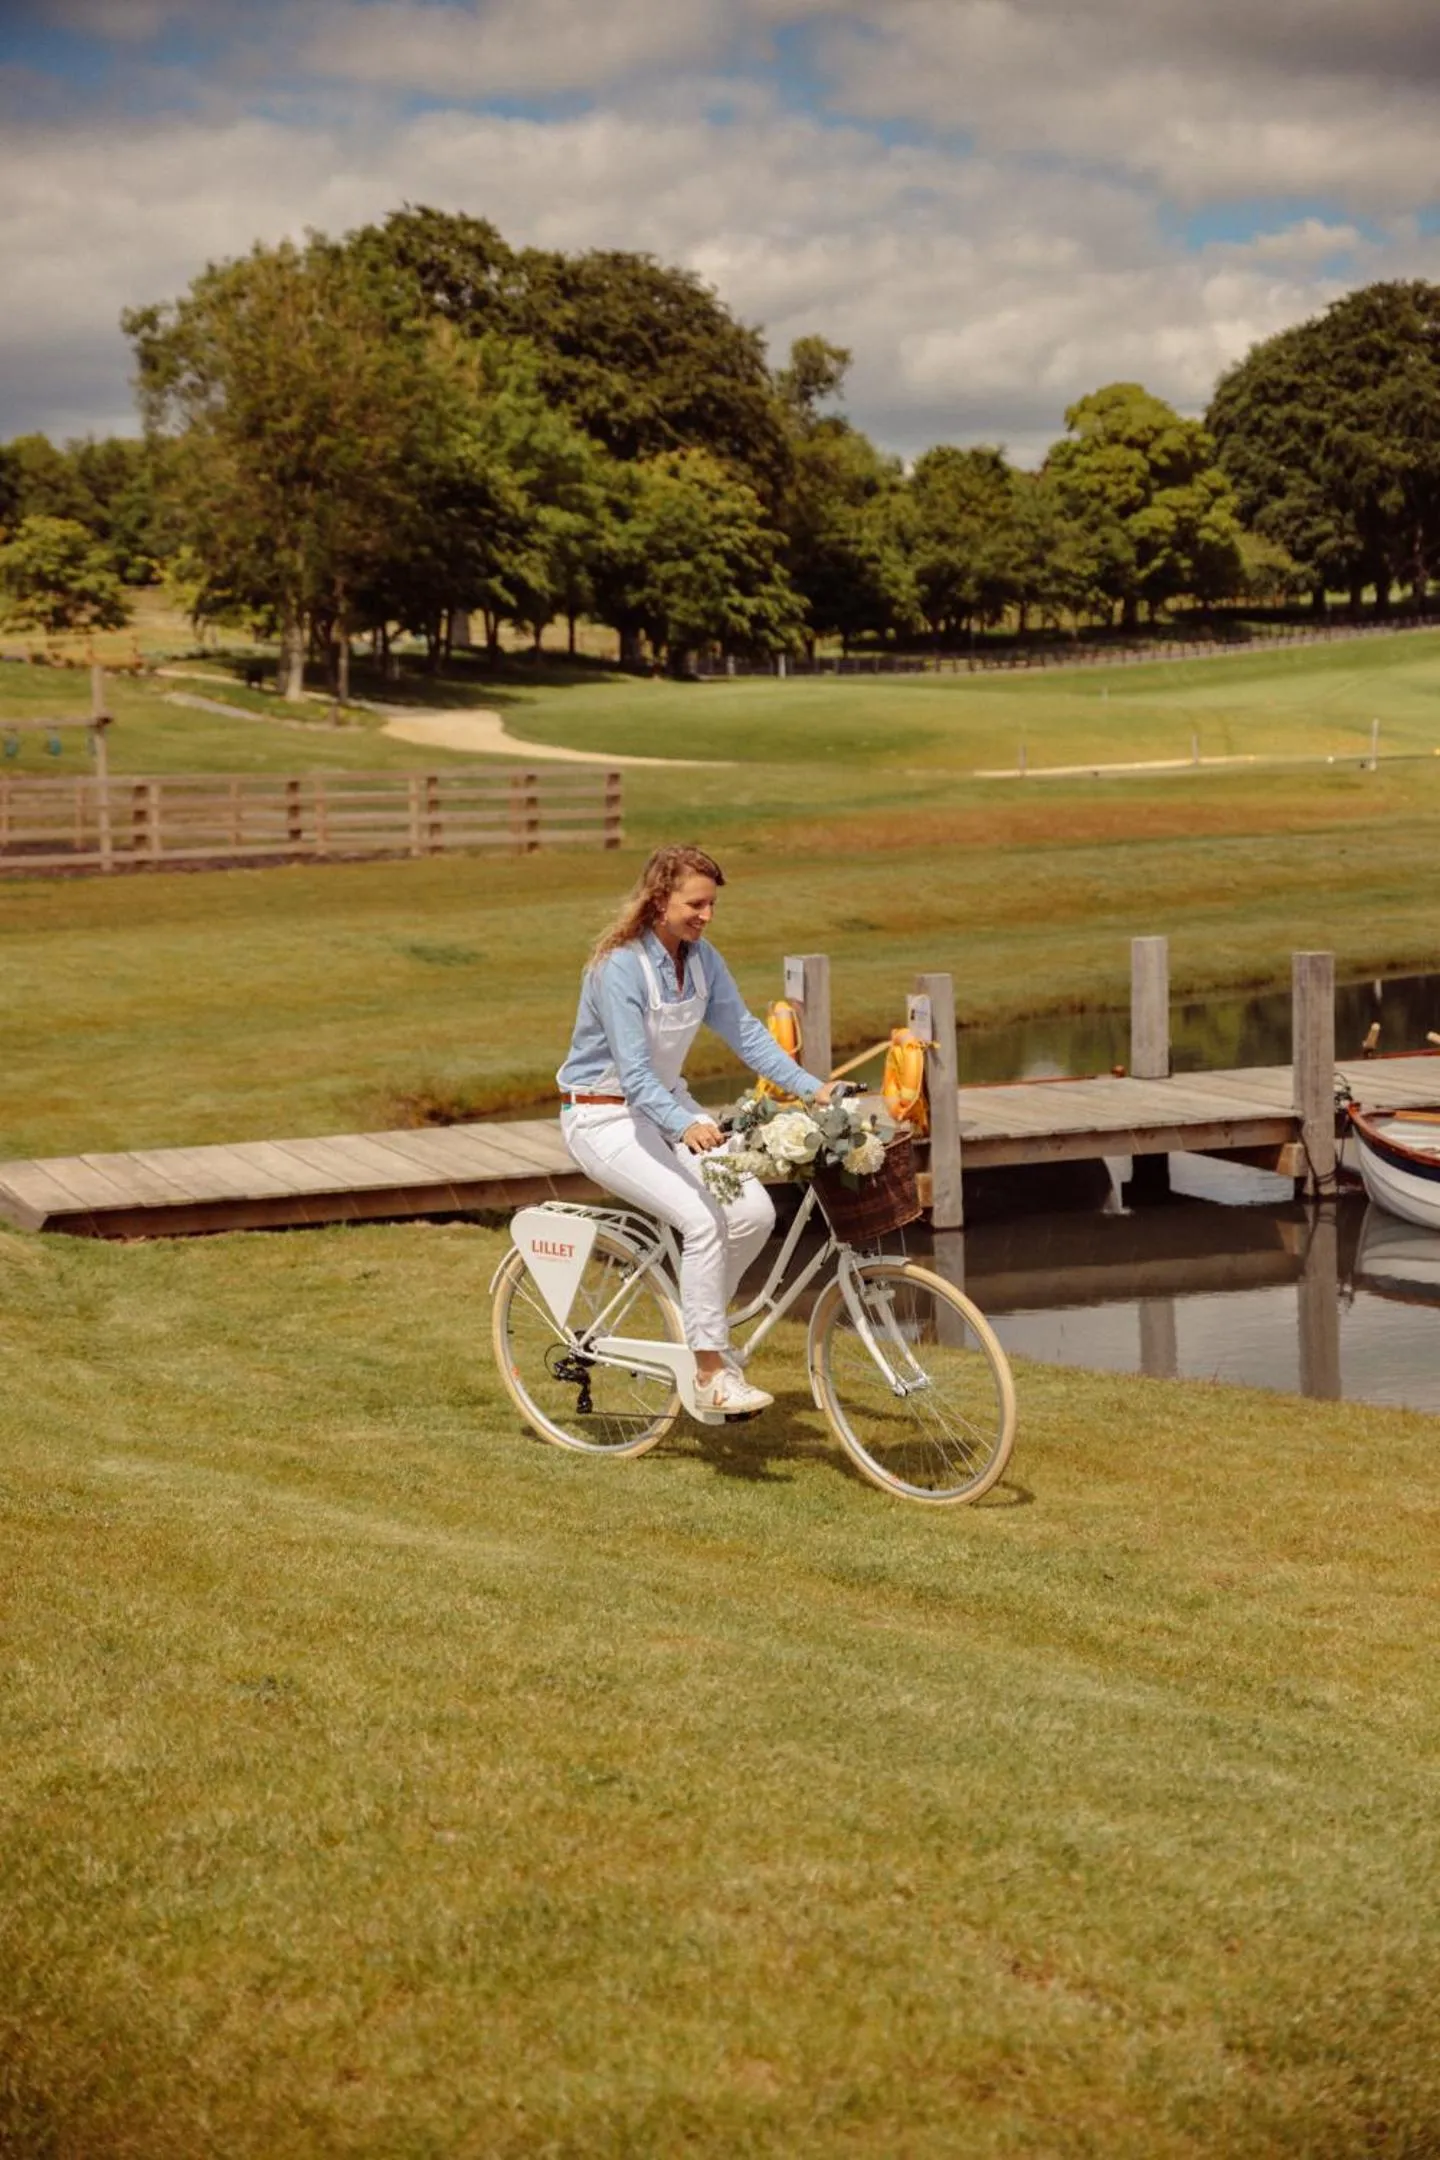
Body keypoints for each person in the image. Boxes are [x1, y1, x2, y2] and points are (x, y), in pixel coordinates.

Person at [557, 843, 836, 1416]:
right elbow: (634, 1075)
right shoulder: (618, 968)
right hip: (603, 1117)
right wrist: (685, 1125)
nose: (706, 916)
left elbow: (749, 1035)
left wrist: (813, 1088)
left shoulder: (702, 959)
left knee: (754, 1215)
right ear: (659, 899)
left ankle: (697, 1327)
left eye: (711, 905)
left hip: (669, 1111)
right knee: (702, 1221)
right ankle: (710, 1370)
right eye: (696, 904)